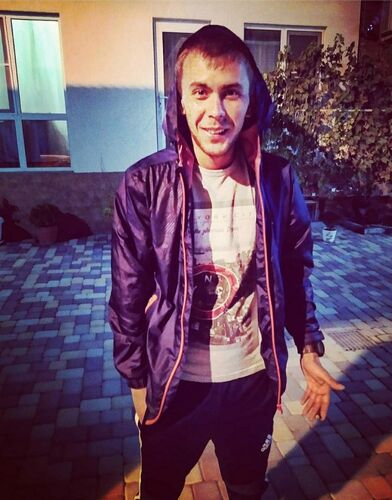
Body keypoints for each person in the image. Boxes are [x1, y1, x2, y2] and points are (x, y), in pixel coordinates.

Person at [109, 24, 345, 500]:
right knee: (159, 491)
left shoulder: (278, 180)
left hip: (252, 381)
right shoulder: (144, 185)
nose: (215, 111)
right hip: (175, 386)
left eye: (231, 92)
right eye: (200, 92)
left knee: (246, 488)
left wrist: (308, 349)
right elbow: (128, 294)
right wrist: (137, 383)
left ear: (250, 100)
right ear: (180, 101)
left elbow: (294, 272)